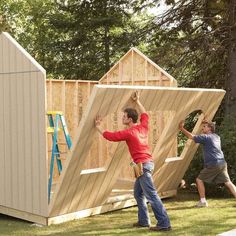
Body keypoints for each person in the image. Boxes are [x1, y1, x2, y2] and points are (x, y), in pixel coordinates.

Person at [95, 91, 171, 232]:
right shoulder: (143, 127)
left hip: (143, 166)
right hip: (146, 164)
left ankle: (164, 223)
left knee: (152, 195)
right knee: (138, 194)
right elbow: (145, 114)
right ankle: (143, 221)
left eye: (124, 116)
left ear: (130, 119)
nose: (122, 118)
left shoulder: (129, 132)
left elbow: (110, 136)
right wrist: (138, 101)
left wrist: (98, 126)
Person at [179, 119, 236, 207]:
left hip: (214, 163)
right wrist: (207, 121)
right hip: (222, 163)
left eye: (204, 127)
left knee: (199, 180)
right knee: (228, 182)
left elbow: (191, 137)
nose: (202, 128)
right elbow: (211, 125)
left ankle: (203, 201)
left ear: (209, 128)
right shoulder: (217, 137)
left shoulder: (206, 137)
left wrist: (181, 128)